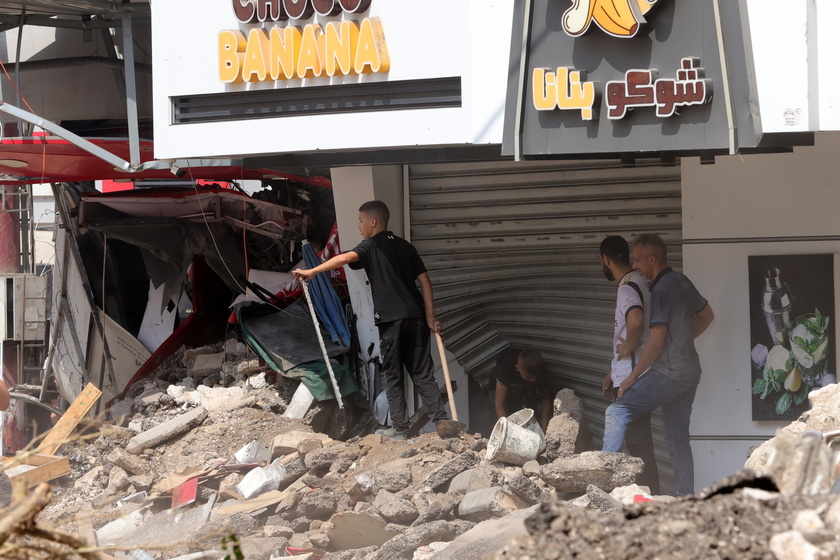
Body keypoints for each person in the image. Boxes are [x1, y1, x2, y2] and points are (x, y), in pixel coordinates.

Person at [293, 200, 448, 441]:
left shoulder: (370, 245)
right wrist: (430, 316)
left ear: (373, 222)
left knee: (394, 376)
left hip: (391, 320)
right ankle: (442, 422)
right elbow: (425, 281)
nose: (358, 225)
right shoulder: (406, 247)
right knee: (422, 373)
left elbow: (344, 259)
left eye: (360, 220)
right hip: (416, 317)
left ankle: (400, 430)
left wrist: (312, 271)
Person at [602, 233, 714, 496]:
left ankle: (601, 483)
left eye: (639, 260)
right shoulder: (682, 281)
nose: (636, 265)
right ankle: (684, 498)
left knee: (616, 412)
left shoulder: (661, 290)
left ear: (652, 259)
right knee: (678, 440)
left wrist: (631, 378)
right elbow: (707, 316)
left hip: (669, 372)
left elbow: (655, 342)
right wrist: (683, 340)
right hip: (690, 372)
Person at [599, 235, 660, 494]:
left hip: (633, 379)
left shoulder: (627, 287)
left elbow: (635, 322)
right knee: (641, 442)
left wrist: (628, 351)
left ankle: (600, 485)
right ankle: (651, 495)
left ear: (605, 259)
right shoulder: (644, 281)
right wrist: (614, 367)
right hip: (642, 373)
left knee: (632, 438)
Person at [493, 347, 553, 432]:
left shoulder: (540, 372)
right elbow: (499, 403)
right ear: (517, 368)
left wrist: (545, 428)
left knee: (530, 410)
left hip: (522, 383)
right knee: (501, 418)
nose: (533, 380)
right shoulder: (505, 368)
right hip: (501, 386)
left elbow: (546, 399)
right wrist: (508, 430)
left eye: (535, 377)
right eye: (529, 377)